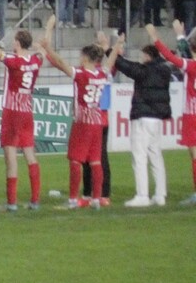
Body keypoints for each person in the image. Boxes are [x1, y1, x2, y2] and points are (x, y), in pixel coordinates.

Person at [39, 21, 120, 210]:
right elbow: (110, 62)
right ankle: (96, 199)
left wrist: (48, 47)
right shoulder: (102, 74)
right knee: (95, 161)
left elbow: (60, 63)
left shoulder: (82, 74)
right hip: (97, 121)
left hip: (83, 121)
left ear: (86, 58)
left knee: (76, 160)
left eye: (81, 55)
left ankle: (73, 200)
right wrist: (116, 47)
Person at [0, 22, 44, 212]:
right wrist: (44, 39)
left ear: (17, 43)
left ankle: (12, 202)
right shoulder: (35, 61)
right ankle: (35, 199)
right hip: (27, 110)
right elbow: (42, 55)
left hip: (11, 111)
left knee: (11, 156)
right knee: (30, 154)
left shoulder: (14, 62)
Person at [118, 24, 178, 206]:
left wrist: (112, 52)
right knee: (156, 156)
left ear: (147, 56)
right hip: (157, 119)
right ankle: (160, 195)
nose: (141, 58)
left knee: (139, 156)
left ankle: (142, 195)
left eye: (142, 55)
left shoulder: (145, 71)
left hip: (143, 117)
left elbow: (127, 67)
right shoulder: (165, 70)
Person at [151, 19, 196, 206]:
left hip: (193, 115)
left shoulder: (192, 66)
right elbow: (184, 55)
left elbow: (172, 57)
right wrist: (180, 36)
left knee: (194, 155)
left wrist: (156, 39)